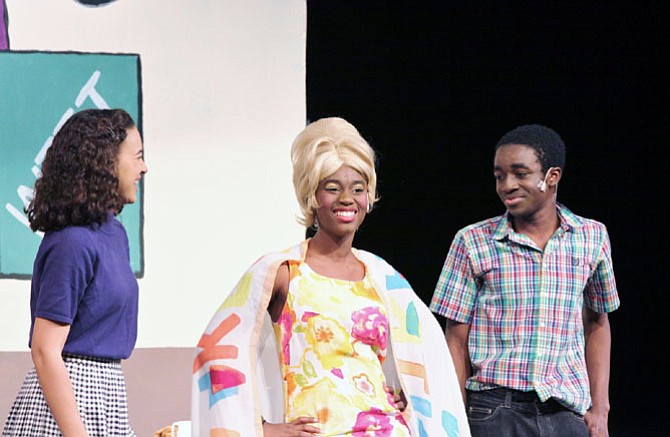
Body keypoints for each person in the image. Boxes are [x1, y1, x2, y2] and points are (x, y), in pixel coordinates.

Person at [191, 117, 470, 437]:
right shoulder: (283, 270)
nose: (347, 199)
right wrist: (263, 429)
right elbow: (216, 348)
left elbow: (428, 357)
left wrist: (410, 397)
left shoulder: (381, 276)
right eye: (332, 188)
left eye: (358, 189)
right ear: (312, 195)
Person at [429, 124, 620, 437]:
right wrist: (453, 415)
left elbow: (597, 324)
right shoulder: (474, 241)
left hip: (564, 412)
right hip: (494, 410)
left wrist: (600, 409)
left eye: (520, 173)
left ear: (551, 177)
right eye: (499, 175)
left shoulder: (591, 237)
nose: (507, 185)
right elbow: (455, 338)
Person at [2, 108, 148, 437]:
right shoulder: (72, 243)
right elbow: (45, 350)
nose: (144, 167)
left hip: (108, 397)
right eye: (137, 156)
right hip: (69, 405)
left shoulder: (114, 233)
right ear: (107, 161)